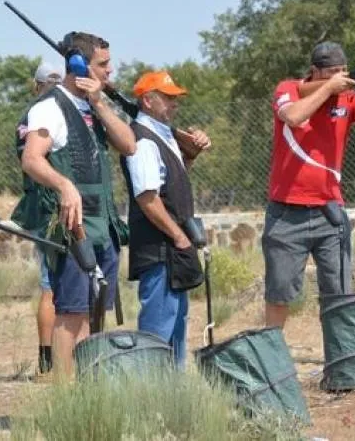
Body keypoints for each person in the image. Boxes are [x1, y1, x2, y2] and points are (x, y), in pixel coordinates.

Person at [11, 33, 136, 378]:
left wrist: (100, 103)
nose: (111, 71)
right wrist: (64, 185)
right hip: (72, 227)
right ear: (79, 66)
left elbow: (129, 145)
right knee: (72, 313)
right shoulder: (49, 108)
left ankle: (90, 388)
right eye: (103, 64)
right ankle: (67, 399)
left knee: (96, 313)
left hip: (103, 225)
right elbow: (32, 160)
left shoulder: (93, 106)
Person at [263, 41, 355, 329]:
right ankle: (272, 358)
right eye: (333, 72)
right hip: (287, 212)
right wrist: (328, 88)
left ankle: (340, 364)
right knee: (279, 294)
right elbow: (292, 116)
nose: (341, 77)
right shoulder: (287, 89)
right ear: (315, 72)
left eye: (343, 71)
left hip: (330, 211)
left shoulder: (348, 99)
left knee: (339, 294)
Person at [120, 71, 211, 369]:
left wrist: (192, 156)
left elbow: (171, 180)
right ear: (147, 100)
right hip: (161, 249)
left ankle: (171, 393)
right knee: (157, 332)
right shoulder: (144, 140)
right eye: (168, 98)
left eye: (175, 99)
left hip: (172, 247)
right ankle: (151, 396)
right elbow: (147, 198)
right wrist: (178, 236)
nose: (175, 104)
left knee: (175, 326)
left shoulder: (164, 135)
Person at [17, 60, 64, 375]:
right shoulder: (47, 115)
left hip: (41, 206)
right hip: (51, 209)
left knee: (53, 284)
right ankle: (51, 363)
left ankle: (50, 360)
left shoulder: (29, 117)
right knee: (52, 285)